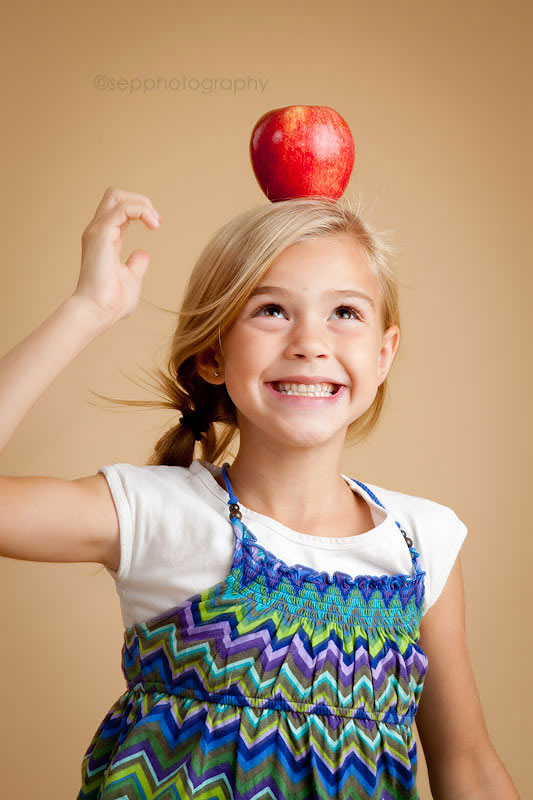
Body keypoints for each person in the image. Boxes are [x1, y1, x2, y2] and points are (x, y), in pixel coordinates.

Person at [0, 187, 518, 799]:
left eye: (345, 313)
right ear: (212, 353)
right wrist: (89, 308)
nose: (309, 341)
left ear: (384, 354)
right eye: (271, 309)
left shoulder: (423, 542)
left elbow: (467, 764)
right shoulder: (161, 514)